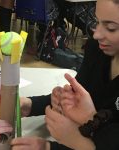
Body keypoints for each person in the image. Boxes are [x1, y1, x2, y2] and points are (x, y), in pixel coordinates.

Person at [11, 0, 119, 149]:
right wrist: (31, 105)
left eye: (111, 28)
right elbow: (79, 94)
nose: (96, 34)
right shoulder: (97, 50)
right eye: (97, 21)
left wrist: (83, 129)